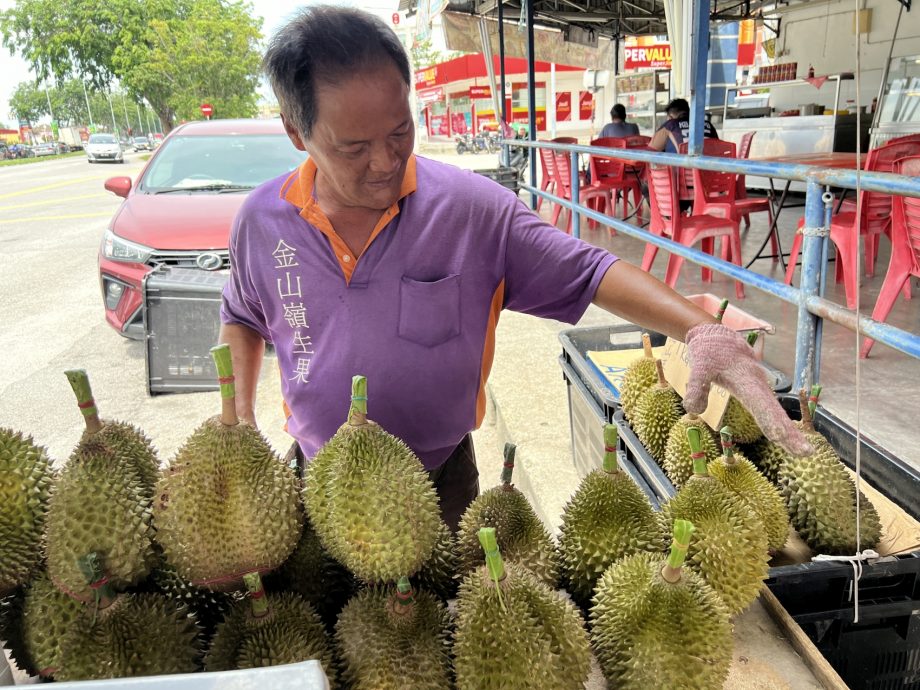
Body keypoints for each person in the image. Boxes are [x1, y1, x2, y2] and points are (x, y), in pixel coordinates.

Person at [219, 6, 812, 532]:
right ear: (297, 133)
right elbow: (242, 315)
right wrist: (237, 420)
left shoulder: (471, 210)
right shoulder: (262, 223)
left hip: (439, 484)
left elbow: (590, 270)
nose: (384, 161)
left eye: (400, 132)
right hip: (315, 481)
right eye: (353, 147)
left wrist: (701, 330)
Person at [649, 98, 719, 153]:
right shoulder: (707, 124)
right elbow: (718, 148)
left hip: (681, 170)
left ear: (670, 117)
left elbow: (651, 150)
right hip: (708, 169)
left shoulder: (670, 125)